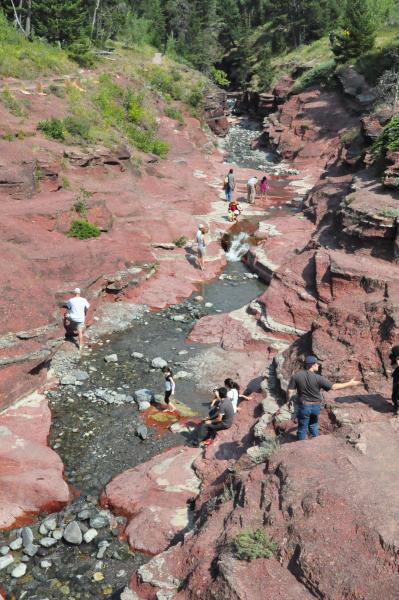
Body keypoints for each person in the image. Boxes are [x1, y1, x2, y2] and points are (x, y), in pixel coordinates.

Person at [287, 356, 360, 441]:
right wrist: (349, 383)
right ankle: (317, 442)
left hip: (304, 406)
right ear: (313, 365)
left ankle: (301, 446)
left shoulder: (297, 376)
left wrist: (289, 401)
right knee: (313, 425)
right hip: (316, 407)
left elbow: (290, 391)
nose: (318, 365)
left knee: (302, 428)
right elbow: (334, 387)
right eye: (317, 364)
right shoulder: (318, 378)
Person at [64, 288, 90, 352]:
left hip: (72, 318)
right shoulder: (84, 300)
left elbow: (68, 307)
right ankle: (80, 346)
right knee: (80, 332)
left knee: (65, 316)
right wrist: (85, 313)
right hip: (80, 319)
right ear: (79, 293)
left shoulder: (71, 300)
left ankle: (66, 329)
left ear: (74, 293)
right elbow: (88, 307)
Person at [389, 345, 399, 416]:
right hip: (397, 376)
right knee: (395, 391)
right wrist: (397, 361)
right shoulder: (395, 354)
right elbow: (393, 366)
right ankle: (396, 405)